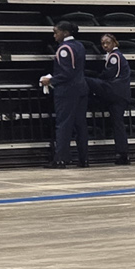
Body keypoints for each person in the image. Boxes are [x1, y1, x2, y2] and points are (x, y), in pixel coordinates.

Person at [37, 21, 90, 166]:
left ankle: (61, 158)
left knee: (64, 125)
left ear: (65, 33)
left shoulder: (64, 49)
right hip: (81, 88)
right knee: (81, 125)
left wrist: (51, 80)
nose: (54, 36)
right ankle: (83, 158)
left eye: (56, 32)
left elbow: (67, 73)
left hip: (67, 91)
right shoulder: (79, 45)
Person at [87, 32, 135, 164]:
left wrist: (98, 80)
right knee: (117, 124)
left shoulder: (115, 57)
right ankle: (122, 154)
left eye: (107, 42)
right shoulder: (115, 56)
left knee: (87, 81)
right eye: (103, 43)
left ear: (114, 42)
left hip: (115, 92)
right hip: (121, 95)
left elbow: (109, 74)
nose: (105, 45)